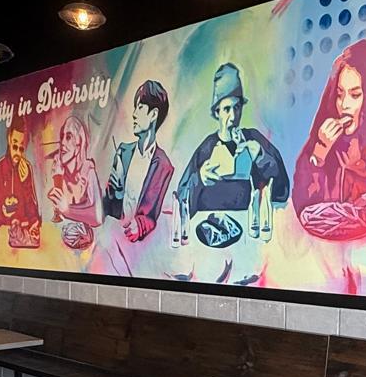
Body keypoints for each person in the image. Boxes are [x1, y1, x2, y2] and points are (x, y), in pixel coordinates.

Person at [292, 39, 366, 227]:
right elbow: (305, 208)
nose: (344, 104)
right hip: (327, 243)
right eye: (340, 94)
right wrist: (318, 156)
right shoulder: (328, 139)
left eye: (355, 95)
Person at [177, 62, 289, 241]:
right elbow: (181, 201)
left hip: (250, 236)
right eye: (227, 109)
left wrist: (261, 158)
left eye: (237, 108)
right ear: (217, 112)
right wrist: (199, 179)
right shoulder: (207, 148)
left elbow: (282, 192)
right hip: (210, 239)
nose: (233, 116)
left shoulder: (253, 140)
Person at [103, 80, 175, 242]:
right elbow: (107, 206)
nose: (134, 114)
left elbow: (151, 217)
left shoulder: (163, 166)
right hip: (111, 240)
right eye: (135, 107)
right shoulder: (123, 152)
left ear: (153, 114)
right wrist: (116, 190)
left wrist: (140, 225)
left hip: (137, 245)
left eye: (140, 107)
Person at [48, 115, 104, 250]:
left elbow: (97, 217)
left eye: (68, 137)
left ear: (79, 144)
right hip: (60, 249)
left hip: (87, 250)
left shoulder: (88, 171)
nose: (62, 143)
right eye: (62, 137)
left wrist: (67, 210)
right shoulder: (58, 173)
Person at [0, 118, 41, 249]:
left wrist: (25, 182)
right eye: (15, 147)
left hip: (21, 236)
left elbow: (32, 210)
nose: (17, 153)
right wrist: (3, 213)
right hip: (3, 235)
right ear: (9, 139)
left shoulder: (26, 168)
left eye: (21, 148)